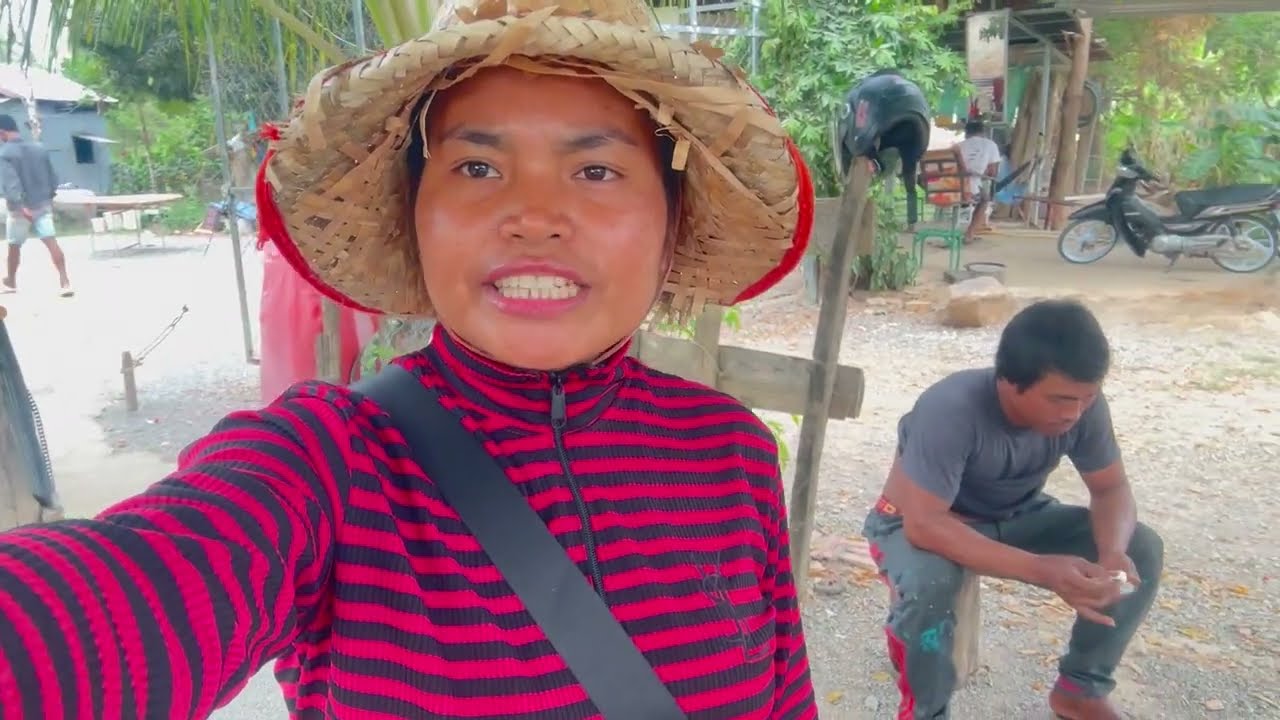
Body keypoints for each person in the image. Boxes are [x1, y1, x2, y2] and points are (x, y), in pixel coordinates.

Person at [0, 1, 818, 718]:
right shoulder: (326, 463)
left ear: (670, 224)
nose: (534, 216)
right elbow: (117, 598)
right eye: (477, 167)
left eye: (596, 169)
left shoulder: (732, 453)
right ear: (415, 215)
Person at [863, 299, 1163, 720]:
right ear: (1008, 381)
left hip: (1016, 514)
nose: (1073, 414)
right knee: (929, 585)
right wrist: (1042, 569)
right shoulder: (950, 407)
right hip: (917, 520)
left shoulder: (1084, 408)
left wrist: (1112, 552)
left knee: (1142, 547)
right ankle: (926, 713)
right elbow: (924, 525)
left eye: (1086, 398)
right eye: (1059, 399)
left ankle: (1081, 690)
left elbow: (1111, 488)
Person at [0, 113, 72, 297]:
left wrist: (21, 205)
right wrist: (49, 198)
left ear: (2, 133)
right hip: (42, 204)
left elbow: (11, 182)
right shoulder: (39, 148)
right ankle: (64, 282)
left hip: (19, 209)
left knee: (14, 245)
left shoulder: (4, 153)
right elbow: (52, 178)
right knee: (51, 240)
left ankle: (11, 281)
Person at [954, 118, 1001, 244]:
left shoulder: (958, 146)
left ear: (966, 133)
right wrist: (981, 173)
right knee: (985, 199)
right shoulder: (990, 145)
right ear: (983, 132)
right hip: (970, 191)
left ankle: (959, 228)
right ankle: (969, 234)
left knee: (976, 192)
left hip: (949, 190)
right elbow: (993, 172)